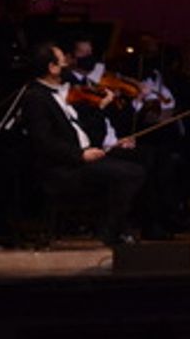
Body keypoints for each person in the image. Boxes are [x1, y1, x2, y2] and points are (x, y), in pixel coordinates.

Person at [20, 42, 145, 247]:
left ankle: (122, 226)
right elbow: (44, 142)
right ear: (51, 67)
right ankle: (111, 231)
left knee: (142, 158)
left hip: (85, 154)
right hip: (65, 165)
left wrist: (108, 132)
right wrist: (80, 155)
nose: (67, 64)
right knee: (131, 173)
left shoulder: (66, 91)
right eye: (62, 61)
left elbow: (86, 131)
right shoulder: (35, 97)